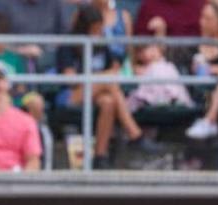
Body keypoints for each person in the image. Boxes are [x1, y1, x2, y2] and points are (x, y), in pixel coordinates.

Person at [56, 5, 158, 169]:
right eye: (95, 28)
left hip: (98, 93)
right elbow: (70, 79)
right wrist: (99, 78)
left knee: (109, 101)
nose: (99, 31)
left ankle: (100, 156)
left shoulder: (102, 43)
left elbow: (115, 68)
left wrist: (101, 78)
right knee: (108, 82)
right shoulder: (69, 44)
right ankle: (134, 134)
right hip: (71, 95)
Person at [184, 1, 218, 140]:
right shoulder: (192, 46)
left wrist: (215, 69)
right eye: (202, 17)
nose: (202, 22)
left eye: (208, 19)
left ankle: (210, 120)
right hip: (200, 95)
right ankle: (210, 120)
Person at [135, 0, 202, 39]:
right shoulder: (149, 4)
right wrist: (159, 35)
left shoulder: (199, 4)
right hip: (157, 59)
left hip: (196, 57)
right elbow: (140, 46)